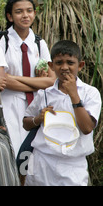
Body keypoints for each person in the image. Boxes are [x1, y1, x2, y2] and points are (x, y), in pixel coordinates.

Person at [23, 40, 101, 186]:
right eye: (59, 63)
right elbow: (26, 122)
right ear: (51, 66)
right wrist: (38, 119)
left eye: (70, 63)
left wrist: (74, 96)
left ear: (80, 65)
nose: (64, 67)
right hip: (42, 161)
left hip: (73, 165)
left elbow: (87, 128)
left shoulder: (90, 93)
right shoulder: (44, 94)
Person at [0, 0, 56, 155]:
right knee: (11, 149)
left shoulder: (39, 43)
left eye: (29, 11)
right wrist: (36, 81)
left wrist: (13, 78)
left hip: (34, 105)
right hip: (8, 103)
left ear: (34, 13)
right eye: (19, 12)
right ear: (10, 16)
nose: (25, 15)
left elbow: (51, 81)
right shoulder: (1, 40)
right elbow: (2, 81)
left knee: (31, 154)